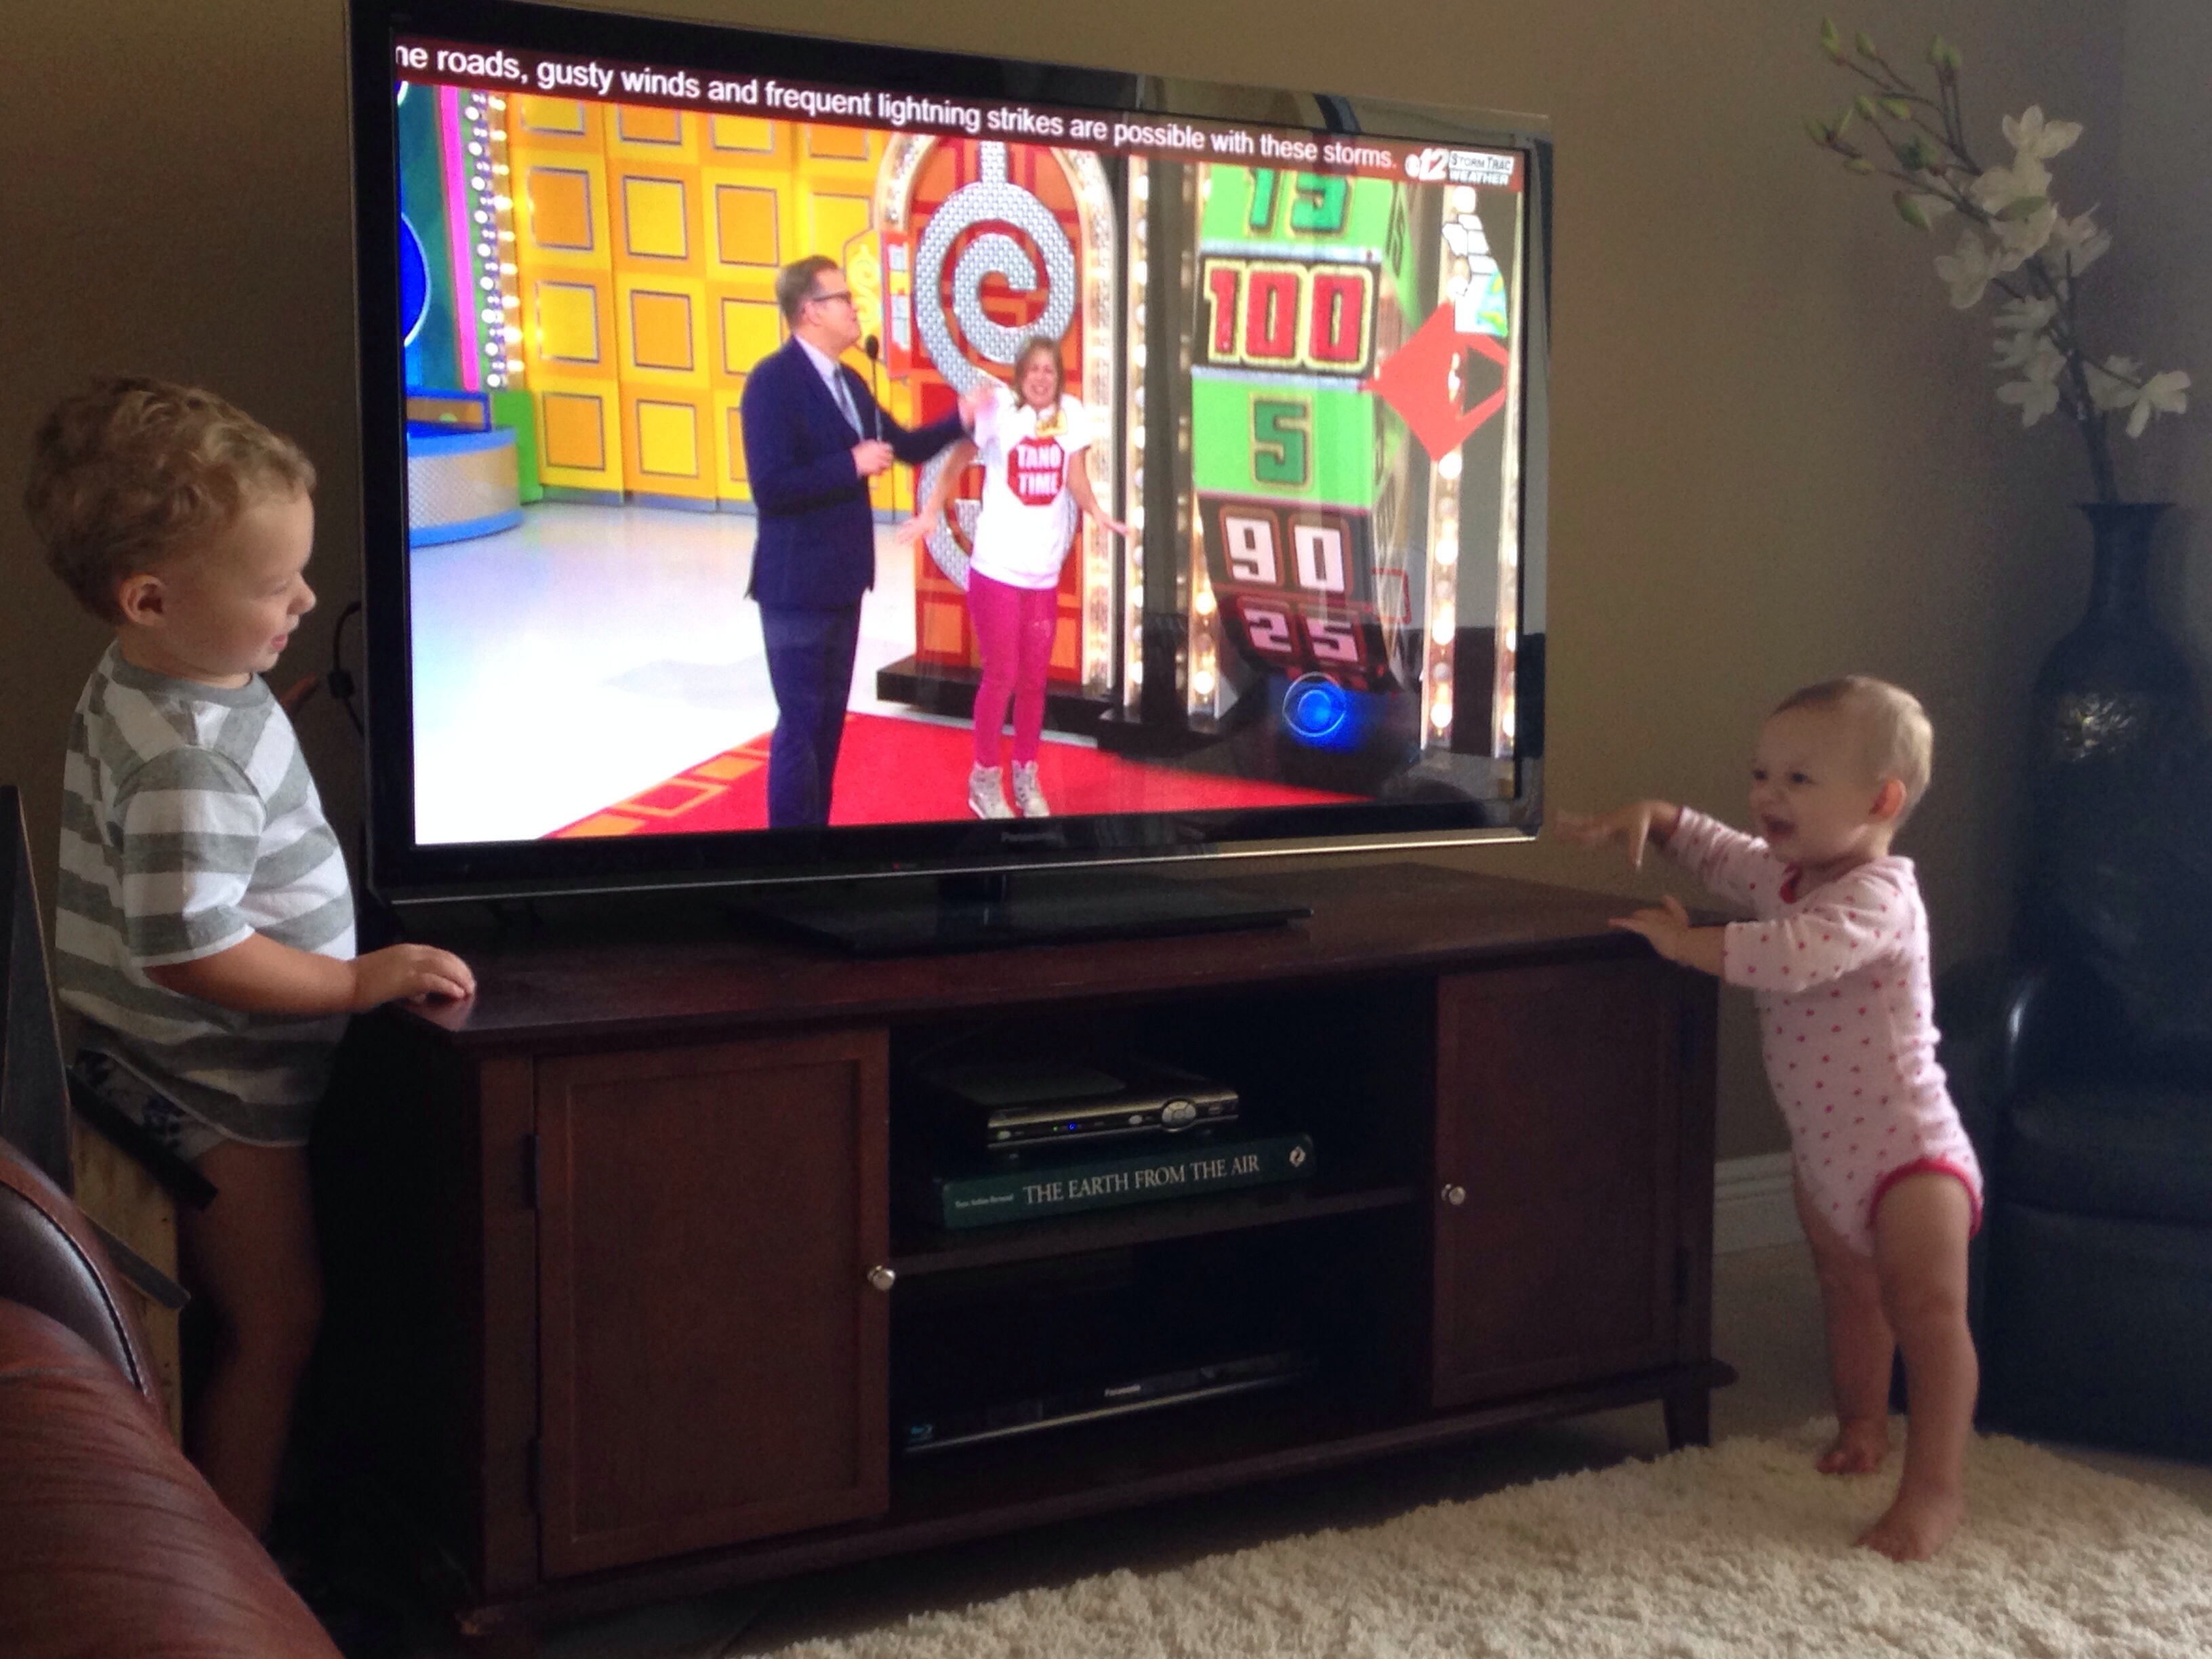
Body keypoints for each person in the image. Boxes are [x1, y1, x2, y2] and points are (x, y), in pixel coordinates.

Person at [25, 376, 476, 1538]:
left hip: (146, 1062)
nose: (307, 598)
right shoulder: (192, 756)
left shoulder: (158, 675)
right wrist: (354, 980)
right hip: (218, 1089)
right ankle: (237, 1563)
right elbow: (192, 945)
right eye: (277, 586)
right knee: (278, 1322)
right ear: (151, 598)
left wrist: (262, 718)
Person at [1553, 676, 1981, 1563]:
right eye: (1761, 774)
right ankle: (1862, 1425)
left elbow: (1792, 955)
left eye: (1797, 780)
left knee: (1928, 1313)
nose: (1766, 796)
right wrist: (1659, 819)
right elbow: (1721, 853)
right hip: (1825, 1150)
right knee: (1848, 1291)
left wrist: (1686, 944)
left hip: (1909, 1152)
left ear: (1881, 800)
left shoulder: (1881, 896)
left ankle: (1935, 1492)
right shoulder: (1782, 874)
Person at [740, 255, 982, 828]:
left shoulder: (849, 381)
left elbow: (904, 446)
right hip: (795, 587)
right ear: (810, 311)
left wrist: (961, 418)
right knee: (801, 723)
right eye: (843, 298)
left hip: (844, 581)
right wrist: (848, 464)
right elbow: (771, 488)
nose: (855, 308)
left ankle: (817, 839)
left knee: (828, 723)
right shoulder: (771, 383)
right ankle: (787, 851)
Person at [899, 333, 1127, 819]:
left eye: (1050, 369)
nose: (1042, 378)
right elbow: (957, 461)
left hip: (1043, 574)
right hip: (996, 570)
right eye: (1033, 369)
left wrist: (1097, 512)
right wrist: (931, 511)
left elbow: (1076, 476)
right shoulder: (1000, 410)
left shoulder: (1072, 413)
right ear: (1021, 374)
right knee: (1001, 674)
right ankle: (984, 778)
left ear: (1059, 376)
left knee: (1034, 681)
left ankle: (1026, 774)